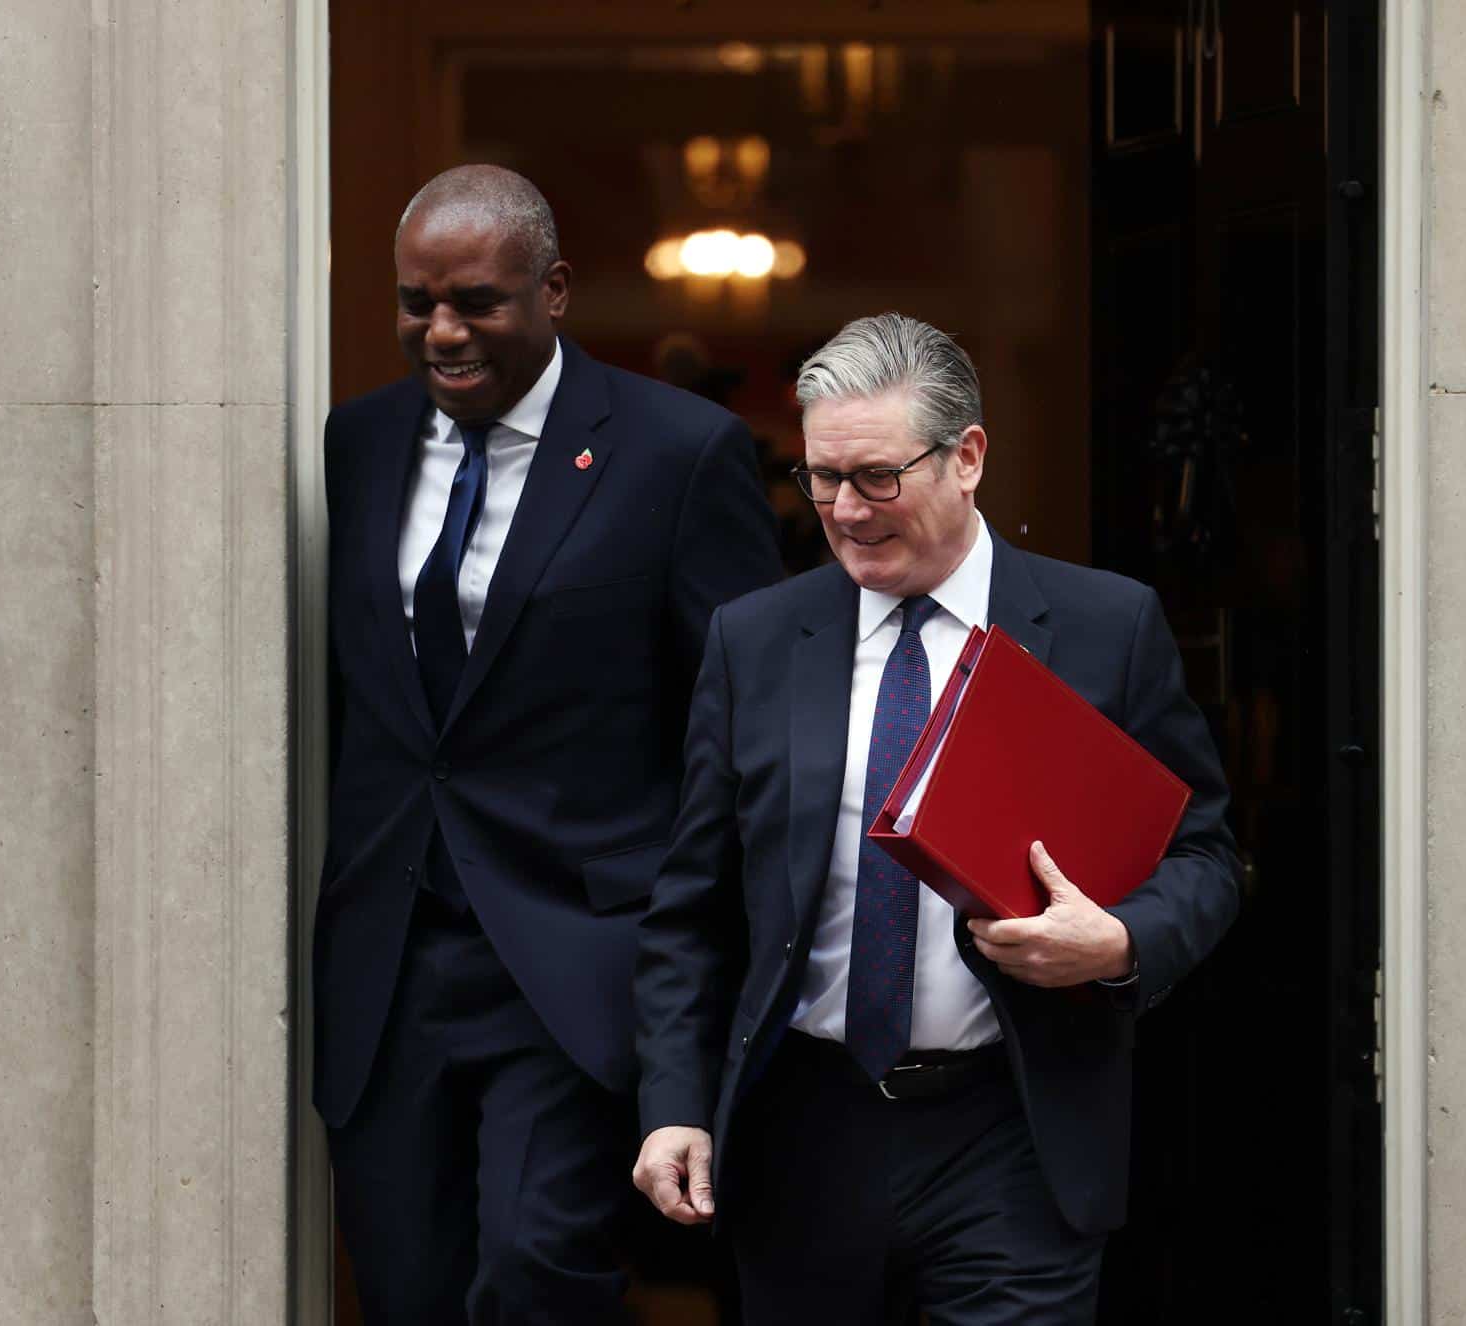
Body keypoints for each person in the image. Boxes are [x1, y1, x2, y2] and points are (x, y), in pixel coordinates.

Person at [632, 312, 1240, 1324]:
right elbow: (691, 905)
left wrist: (1121, 941)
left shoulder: (1101, 628)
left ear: (967, 459)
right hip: (803, 1132)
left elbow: (1207, 855)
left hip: (1012, 1126)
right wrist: (673, 1106)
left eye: (877, 477)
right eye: (821, 479)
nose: (845, 510)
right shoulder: (757, 640)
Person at [314, 164, 781, 1324]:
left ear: (555, 290)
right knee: (406, 1290)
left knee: (535, 1272)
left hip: (571, 958)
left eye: (477, 301)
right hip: (389, 961)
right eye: (418, 302)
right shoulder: (361, 443)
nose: (443, 331)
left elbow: (741, 731)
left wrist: (702, 960)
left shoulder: (680, 454)